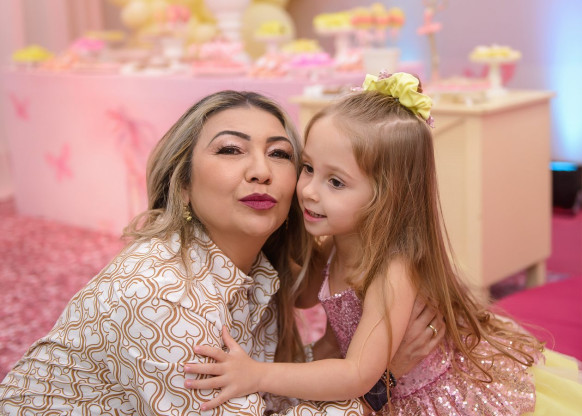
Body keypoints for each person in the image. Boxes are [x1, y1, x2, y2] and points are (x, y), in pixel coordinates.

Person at [0, 90, 443, 415]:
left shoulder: (259, 271)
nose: (261, 171)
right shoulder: (162, 298)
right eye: (231, 149)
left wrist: (330, 349)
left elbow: (259, 389)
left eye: (280, 154)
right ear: (183, 183)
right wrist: (379, 386)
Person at [182, 74, 582, 415]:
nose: (308, 191)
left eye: (335, 182)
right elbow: (317, 315)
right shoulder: (336, 243)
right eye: (308, 168)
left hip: (428, 399)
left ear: (386, 196)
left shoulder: (392, 269)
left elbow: (357, 373)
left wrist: (257, 375)